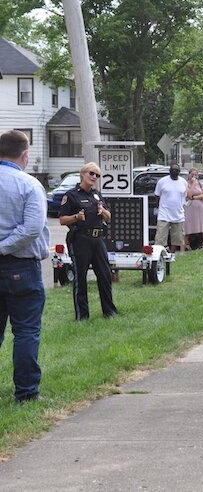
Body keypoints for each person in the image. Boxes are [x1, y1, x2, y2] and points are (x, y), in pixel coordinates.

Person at [0, 130, 49, 403]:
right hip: (21, 268)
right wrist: (4, 246)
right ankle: (27, 393)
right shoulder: (29, 184)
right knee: (26, 332)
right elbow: (32, 227)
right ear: (25, 154)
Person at [59, 162, 118, 320]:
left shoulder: (97, 194)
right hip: (80, 239)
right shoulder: (71, 195)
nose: (94, 177)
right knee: (80, 278)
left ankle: (109, 312)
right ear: (83, 174)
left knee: (105, 275)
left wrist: (103, 211)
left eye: (97, 175)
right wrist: (76, 217)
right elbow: (62, 220)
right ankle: (82, 316)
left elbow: (108, 216)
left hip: (98, 239)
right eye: (91, 173)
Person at [155, 163, 188, 254]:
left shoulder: (183, 182)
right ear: (169, 171)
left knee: (176, 238)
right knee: (160, 238)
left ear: (179, 172)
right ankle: (160, 255)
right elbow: (157, 195)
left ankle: (171, 255)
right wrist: (160, 206)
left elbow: (185, 197)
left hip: (178, 214)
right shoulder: (162, 181)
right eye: (172, 170)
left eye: (176, 170)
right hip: (164, 214)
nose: (174, 171)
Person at [183, 168, 203, 252]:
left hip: (201, 209)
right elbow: (189, 195)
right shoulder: (186, 184)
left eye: (195, 175)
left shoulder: (201, 184)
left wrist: (194, 197)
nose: (194, 176)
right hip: (189, 209)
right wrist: (193, 184)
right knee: (187, 231)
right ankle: (182, 250)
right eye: (192, 175)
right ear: (189, 175)